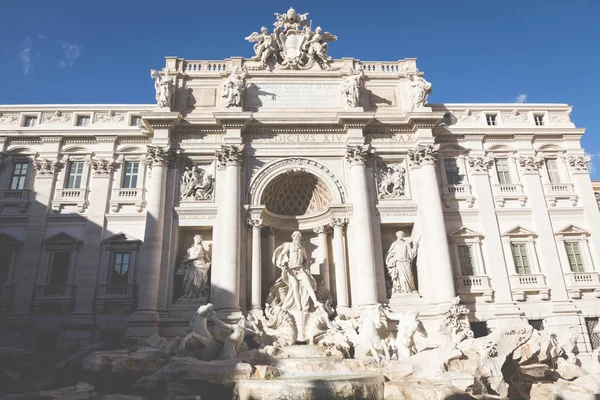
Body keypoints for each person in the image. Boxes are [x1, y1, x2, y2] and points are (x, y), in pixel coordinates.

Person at [268, 231, 321, 312]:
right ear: (293, 237)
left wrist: (307, 268)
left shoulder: (302, 249)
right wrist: (280, 262)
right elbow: (282, 254)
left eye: (299, 237)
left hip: (300, 269)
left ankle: (315, 302)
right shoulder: (289, 245)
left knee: (308, 285)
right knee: (294, 288)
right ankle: (299, 306)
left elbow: (306, 259)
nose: (297, 238)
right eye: (295, 237)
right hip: (291, 270)